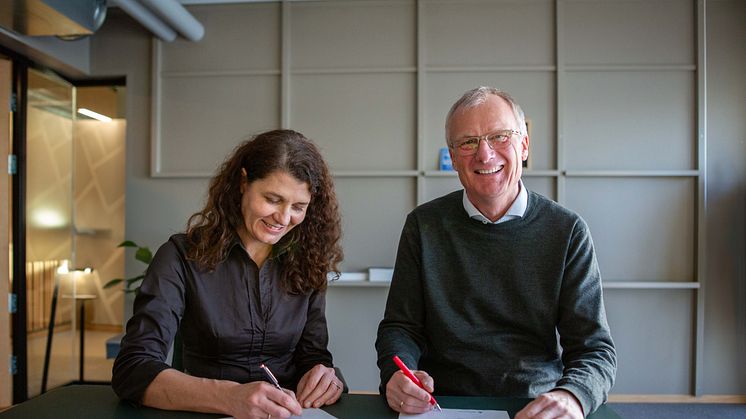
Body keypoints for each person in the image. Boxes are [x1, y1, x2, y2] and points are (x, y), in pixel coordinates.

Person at [376, 87, 616, 418]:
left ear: (525, 144)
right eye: (468, 142)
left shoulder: (568, 231)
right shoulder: (423, 226)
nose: (484, 154)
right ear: (454, 155)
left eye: (499, 137)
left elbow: (595, 349)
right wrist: (395, 375)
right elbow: (400, 327)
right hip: (440, 404)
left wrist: (573, 396)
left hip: (535, 404)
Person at [113, 129, 345, 419]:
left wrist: (325, 378)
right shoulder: (180, 256)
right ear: (243, 182)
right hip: (202, 412)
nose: (285, 219)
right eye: (273, 199)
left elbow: (313, 357)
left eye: (298, 207)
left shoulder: (307, 261)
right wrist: (230, 397)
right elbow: (133, 368)